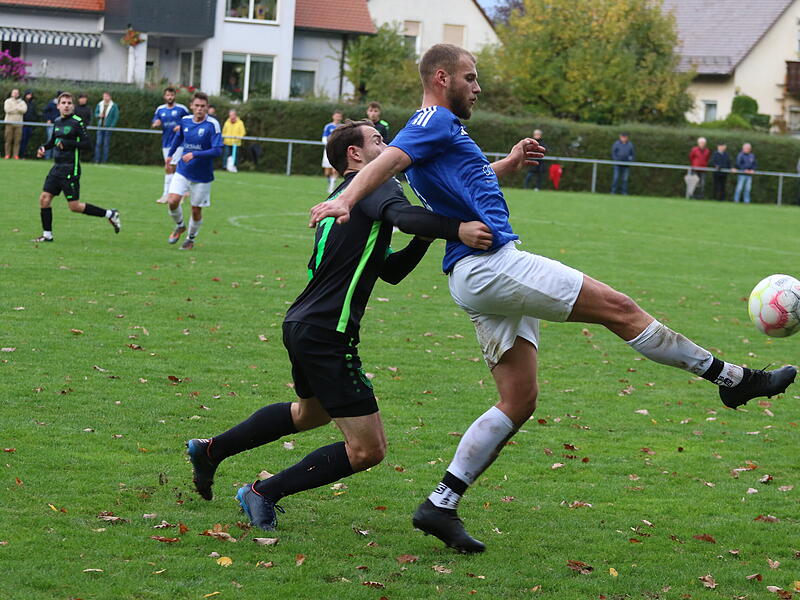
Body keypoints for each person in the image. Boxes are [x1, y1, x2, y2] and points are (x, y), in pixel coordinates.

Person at [309, 43, 797, 554]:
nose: (478, 87)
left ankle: (441, 503)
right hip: (492, 264)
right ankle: (734, 380)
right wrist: (343, 199)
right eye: (471, 78)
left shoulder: (438, 128)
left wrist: (510, 163)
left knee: (518, 401)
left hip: (473, 272)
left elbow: (456, 177)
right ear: (440, 76)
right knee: (620, 309)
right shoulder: (430, 119)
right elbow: (388, 162)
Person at [186, 119, 493, 531]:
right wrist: (455, 228)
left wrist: (426, 236)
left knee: (310, 414)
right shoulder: (372, 186)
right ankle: (262, 492)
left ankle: (211, 451)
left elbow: (391, 270)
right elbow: (402, 215)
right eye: (379, 140)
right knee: (368, 449)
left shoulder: (340, 199)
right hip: (328, 333)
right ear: (355, 154)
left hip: (302, 324)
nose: (387, 147)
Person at [31, 92, 121, 243]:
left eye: (69, 103)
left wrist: (68, 144)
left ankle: (110, 214)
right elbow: (53, 140)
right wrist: (43, 148)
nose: (66, 105)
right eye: (63, 103)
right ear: (58, 105)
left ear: (72, 106)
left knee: (74, 206)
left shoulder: (77, 122)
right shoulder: (57, 121)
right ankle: (47, 235)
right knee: (44, 199)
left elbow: (88, 145)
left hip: (70, 168)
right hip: (57, 167)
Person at [164, 92, 222, 250]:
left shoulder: (212, 125)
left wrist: (195, 154)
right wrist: (170, 155)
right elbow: (178, 138)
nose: (199, 109)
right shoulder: (185, 121)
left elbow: (217, 151)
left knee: (196, 210)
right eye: (197, 106)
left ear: (207, 108)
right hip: (183, 170)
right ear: (191, 106)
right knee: (172, 200)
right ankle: (180, 226)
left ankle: (190, 239)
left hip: (202, 176)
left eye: (203, 106)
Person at [151, 87, 190, 203]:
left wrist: (181, 127)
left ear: (175, 96)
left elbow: (190, 121)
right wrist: (156, 123)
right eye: (168, 95)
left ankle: (170, 194)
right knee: (170, 167)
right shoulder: (160, 109)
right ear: (164, 97)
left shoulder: (181, 109)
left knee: (172, 166)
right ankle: (179, 192)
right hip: (166, 142)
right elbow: (155, 120)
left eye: (172, 95)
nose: (170, 97)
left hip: (179, 143)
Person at [93, 91, 119, 164]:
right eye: (104, 96)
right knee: (98, 143)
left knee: (106, 144)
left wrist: (111, 126)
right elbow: (95, 113)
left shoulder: (114, 106)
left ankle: (104, 161)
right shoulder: (100, 104)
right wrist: (99, 115)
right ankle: (97, 160)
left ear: (110, 97)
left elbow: (115, 117)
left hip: (108, 128)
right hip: (100, 126)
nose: (105, 97)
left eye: (107, 96)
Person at [321, 109, 343, 194]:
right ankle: (330, 183)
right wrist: (328, 145)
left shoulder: (342, 127)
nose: (338, 117)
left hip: (337, 150)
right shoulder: (328, 126)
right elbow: (324, 137)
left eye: (339, 116)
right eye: (336, 115)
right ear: (333, 116)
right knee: (327, 172)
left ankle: (332, 188)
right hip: (328, 150)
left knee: (335, 170)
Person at [4, 88, 26, 159]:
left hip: (19, 124)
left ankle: (15, 155)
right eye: (14, 93)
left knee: (17, 141)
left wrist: (14, 108)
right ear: (11, 93)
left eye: (17, 93)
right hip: (9, 123)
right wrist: (17, 108)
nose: (15, 94)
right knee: (8, 140)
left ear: (18, 94)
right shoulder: (8, 101)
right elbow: (7, 110)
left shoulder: (22, 102)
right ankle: (7, 154)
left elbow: (24, 110)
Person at [221, 108, 246, 173]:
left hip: (236, 143)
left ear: (235, 115)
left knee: (235, 156)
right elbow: (224, 131)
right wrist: (224, 137)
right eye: (230, 115)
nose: (231, 117)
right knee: (226, 155)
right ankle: (225, 167)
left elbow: (243, 132)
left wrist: (238, 138)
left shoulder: (240, 123)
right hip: (227, 142)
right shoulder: (227, 122)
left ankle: (234, 167)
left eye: (232, 115)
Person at [41, 91, 61, 159]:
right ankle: (47, 157)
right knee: (50, 140)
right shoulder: (51, 103)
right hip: (51, 125)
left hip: (60, 125)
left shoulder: (62, 105)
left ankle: (55, 157)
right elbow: (45, 112)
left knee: (58, 141)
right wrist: (48, 119)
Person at [19, 90, 37, 159]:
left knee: (27, 141)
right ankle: (21, 155)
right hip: (23, 124)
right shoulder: (22, 103)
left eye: (31, 94)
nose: (30, 96)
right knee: (22, 140)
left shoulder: (32, 104)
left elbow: (34, 113)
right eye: (28, 94)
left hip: (30, 125)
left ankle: (24, 155)